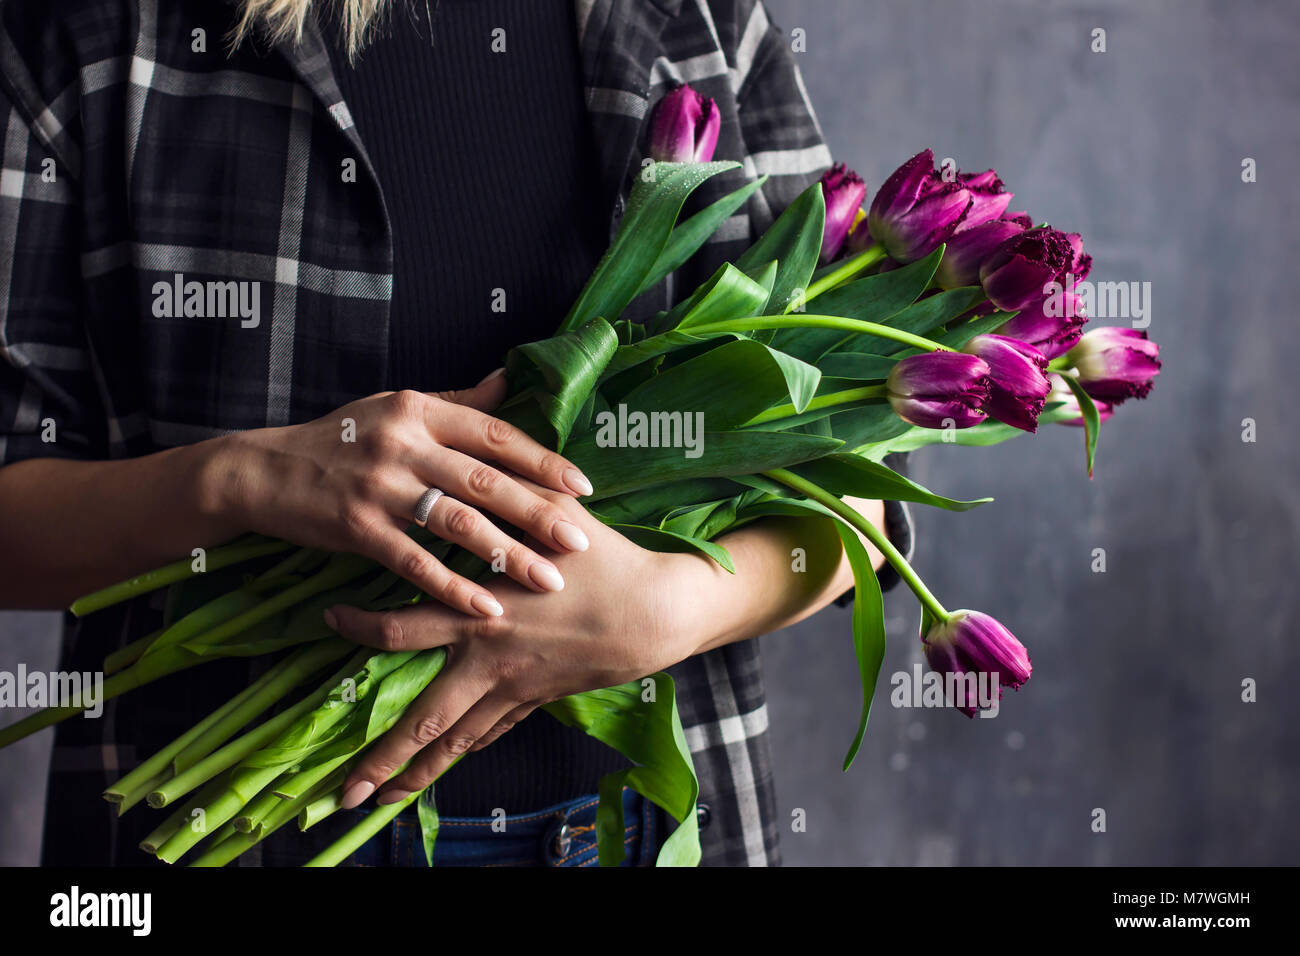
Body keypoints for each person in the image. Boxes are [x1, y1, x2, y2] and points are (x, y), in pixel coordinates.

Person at [0, 0, 910, 867]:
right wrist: (237, 482)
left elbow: (865, 489)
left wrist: (672, 606)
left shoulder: (698, 19)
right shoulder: (95, 30)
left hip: (646, 827)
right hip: (235, 832)